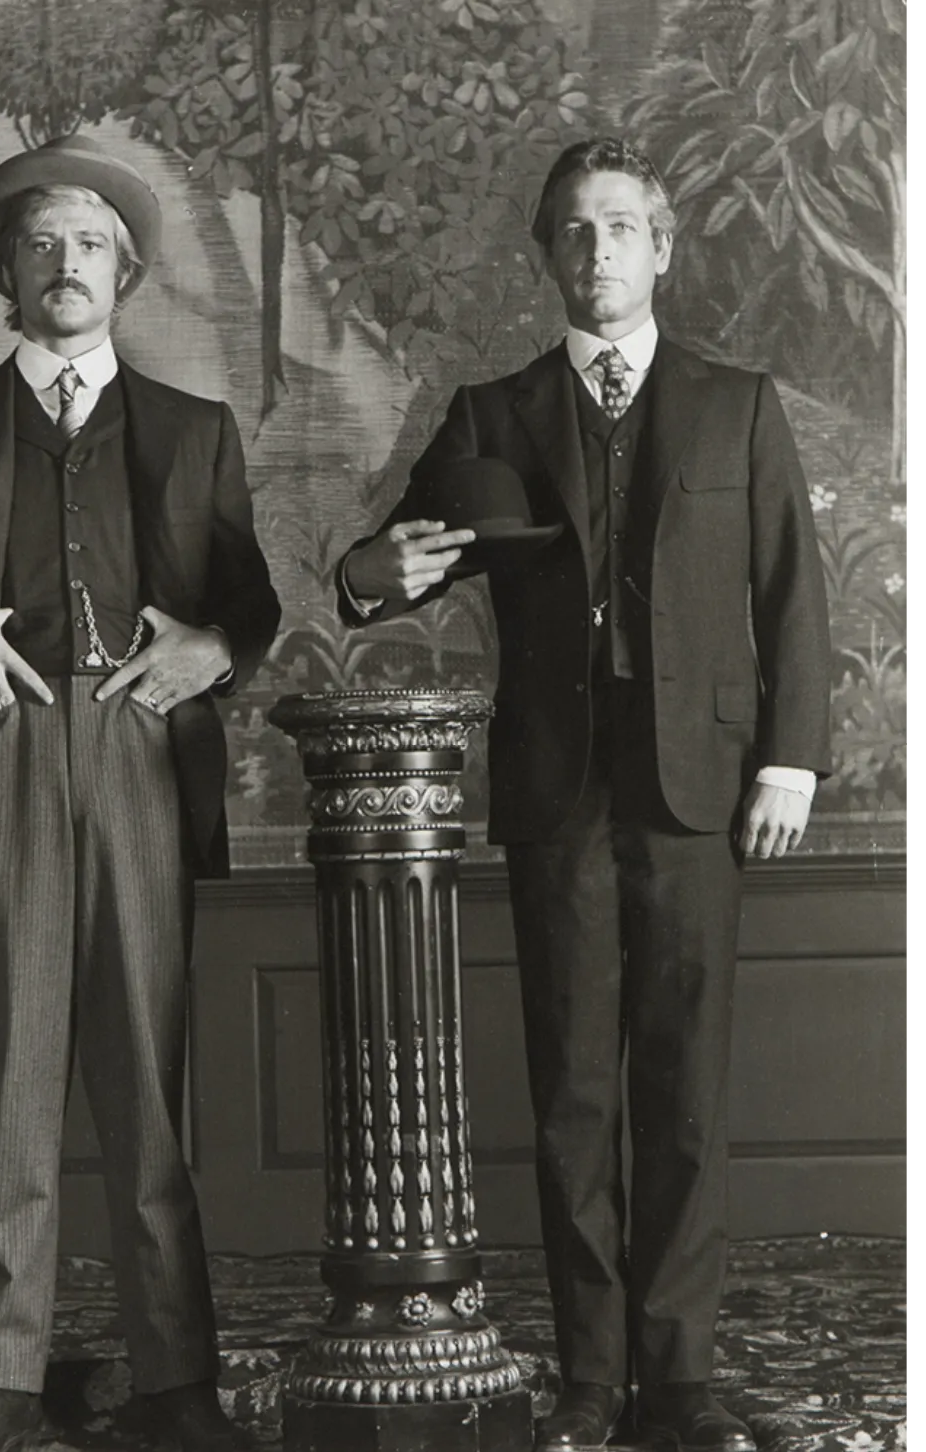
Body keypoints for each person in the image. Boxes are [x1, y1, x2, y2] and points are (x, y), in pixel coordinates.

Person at [336, 138, 831, 1452]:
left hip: (699, 792)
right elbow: (390, 564)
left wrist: (789, 760)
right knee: (571, 1095)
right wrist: (373, 574)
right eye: (573, 229)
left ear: (661, 247)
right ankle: (592, 1380)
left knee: (683, 1090)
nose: (596, 248)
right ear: (547, 256)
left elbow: (792, 592)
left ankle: (681, 1380)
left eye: (620, 226)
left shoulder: (737, 406)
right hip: (557, 789)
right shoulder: (492, 415)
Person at [0, 134, 280, 1452]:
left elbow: (249, 603)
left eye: (89, 243)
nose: (65, 262)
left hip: (142, 749)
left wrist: (214, 651)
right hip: (8, 745)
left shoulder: (195, 430)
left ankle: (175, 1378)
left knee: (147, 1074)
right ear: (9, 274)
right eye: (40, 244)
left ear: (125, 272)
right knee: (18, 1075)